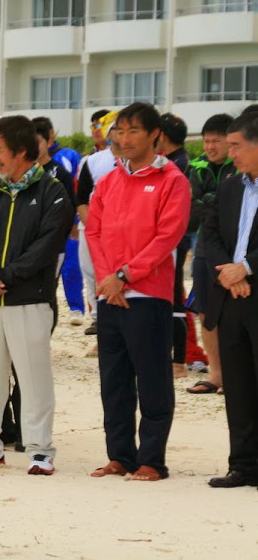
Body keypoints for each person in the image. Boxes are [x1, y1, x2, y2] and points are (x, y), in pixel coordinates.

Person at [0, 115, 73, 476]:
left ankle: (40, 449)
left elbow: (47, 244)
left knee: (33, 377)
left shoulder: (52, 191)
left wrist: (5, 276)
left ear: (22, 150)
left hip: (30, 299)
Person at [85, 102, 190, 482]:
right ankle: (120, 456)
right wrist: (106, 279)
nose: (124, 139)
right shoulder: (109, 180)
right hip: (108, 293)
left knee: (152, 378)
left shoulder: (172, 179)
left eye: (133, 131)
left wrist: (124, 276)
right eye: (120, 131)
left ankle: (152, 460)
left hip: (148, 294)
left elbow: (168, 236)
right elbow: (93, 232)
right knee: (113, 379)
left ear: (154, 136)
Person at [199, 110, 258, 488]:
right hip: (232, 295)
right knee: (237, 386)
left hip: (252, 286)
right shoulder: (232, 186)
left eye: (236, 145)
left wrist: (248, 267)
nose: (229, 151)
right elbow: (209, 230)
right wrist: (228, 270)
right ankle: (244, 465)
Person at [187, 113, 236, 395]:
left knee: (237, 314)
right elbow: (192, 208)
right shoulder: (197, 168)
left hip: (235, 253)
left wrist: (210, 200)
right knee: (207, 312)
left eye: (216, 141)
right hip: (205, 251)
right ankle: (216, 374)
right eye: (206, 141)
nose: (209, 147)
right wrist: (215, 200)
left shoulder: (241, 167)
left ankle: (236, 375)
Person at [33, 116, 84, 326]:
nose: (34, 147)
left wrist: (71, 226)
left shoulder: (59, 171)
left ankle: (46, 332)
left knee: (48, 288)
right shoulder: (25, 172)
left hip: (55, 241)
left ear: (48, 141)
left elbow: (71, 202)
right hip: (30, 240)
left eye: (38, 142)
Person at [76, 111, 121, 340]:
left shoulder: (142, 163)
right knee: (92, 273)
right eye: (115, 130)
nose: (120, 136)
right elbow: (81, 198)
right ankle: (99, 321)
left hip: (124, 232)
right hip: (92, 229)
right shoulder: (92, 162)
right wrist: (93, 228)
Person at [158, 113, 195, 377]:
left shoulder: (178, 164)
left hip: (174, 240)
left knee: (174, 298)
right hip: (171, 239)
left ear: (163, 136)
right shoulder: (172, 161)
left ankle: (178, 361)